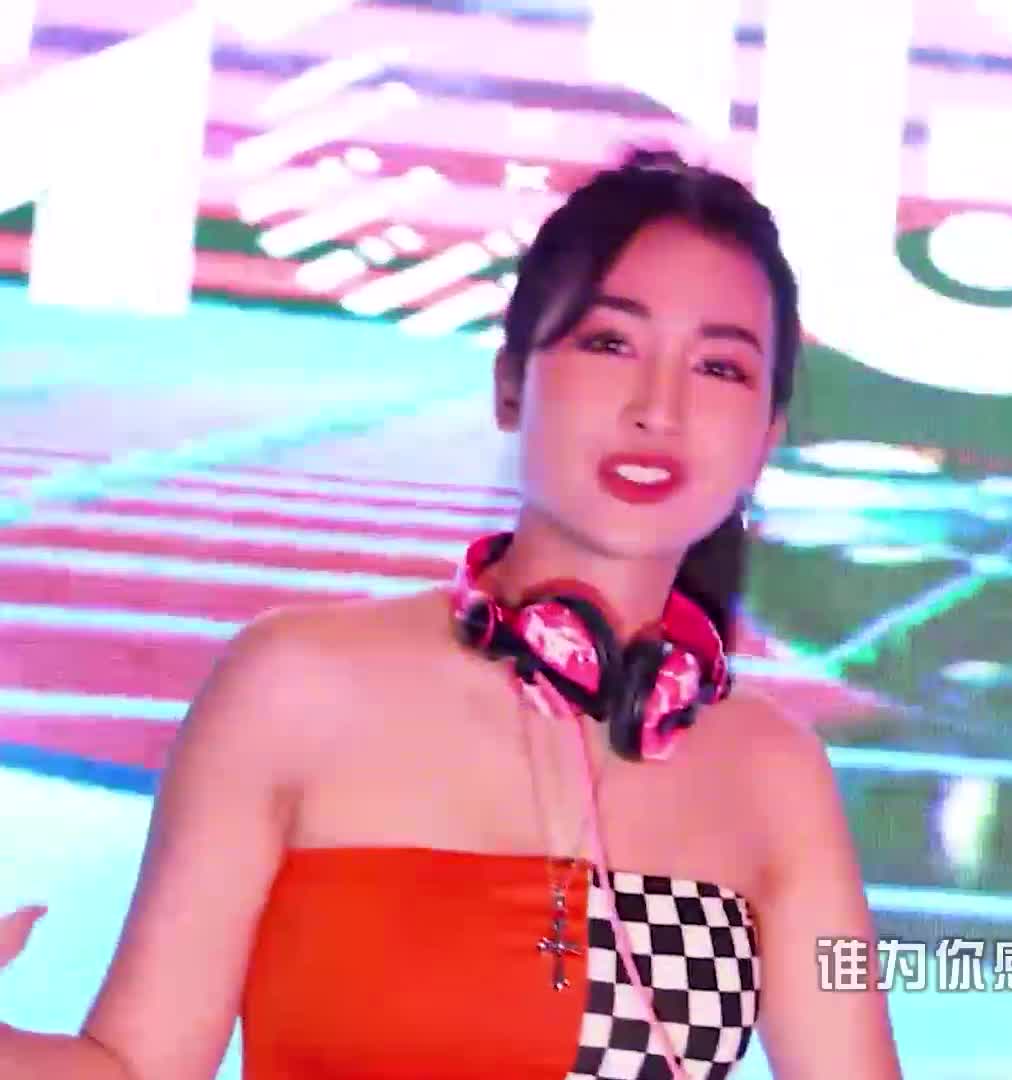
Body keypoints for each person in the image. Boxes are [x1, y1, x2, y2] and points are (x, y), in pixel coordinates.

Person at [0, 149, 903, 1079]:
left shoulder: (775, 771)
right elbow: (137, 1068)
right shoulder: (297, 685)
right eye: (609, 343)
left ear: (766, 438)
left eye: (719, 366)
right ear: (511, 384)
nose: (658, 410)